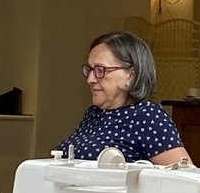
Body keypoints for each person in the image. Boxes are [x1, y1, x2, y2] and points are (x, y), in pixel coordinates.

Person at [57, 31, 192, 165]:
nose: (90, 79)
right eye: (90, 70)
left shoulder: (147, 116)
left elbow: (185, 177)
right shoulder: (93, 114)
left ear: (130, 75)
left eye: (100, 70)